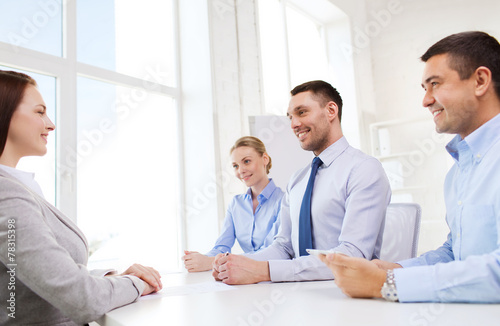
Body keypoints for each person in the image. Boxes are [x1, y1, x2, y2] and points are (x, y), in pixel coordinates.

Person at [320, 31, 500, 303]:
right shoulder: (458, 172)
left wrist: (389, 284)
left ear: (480, 81)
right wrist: (394, 269)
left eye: (435, 84)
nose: (426, 100)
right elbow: (456, 252)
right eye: (424, 89)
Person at [0, 70, 162, 325]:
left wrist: (112, 277)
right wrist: (135, 284)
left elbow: (37, 279)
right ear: (4, 113)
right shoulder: (6, 194)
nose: (50, 124)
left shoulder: (15, 186)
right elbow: (80, 298)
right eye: (40, 112)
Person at [212, 80, 391, 284]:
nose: (294, 124)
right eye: (291, 117)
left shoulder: (364, 169)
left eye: (302, 112)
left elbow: (352, 256)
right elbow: (284, 247)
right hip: (295, 297)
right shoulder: (297, 180)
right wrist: (238, 263)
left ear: (331, 110)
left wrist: (265, 271)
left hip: (345, 298)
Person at [182, 136, 284, 272]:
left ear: (265, 159)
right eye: (235, 166)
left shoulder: (284, 201)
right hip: (244, 278)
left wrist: (211, 262)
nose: (240, 170)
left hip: (272, 276)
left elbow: (271, 251)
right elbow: (221, 247)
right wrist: (201, 259)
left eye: (247, 161)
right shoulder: (236, 204)